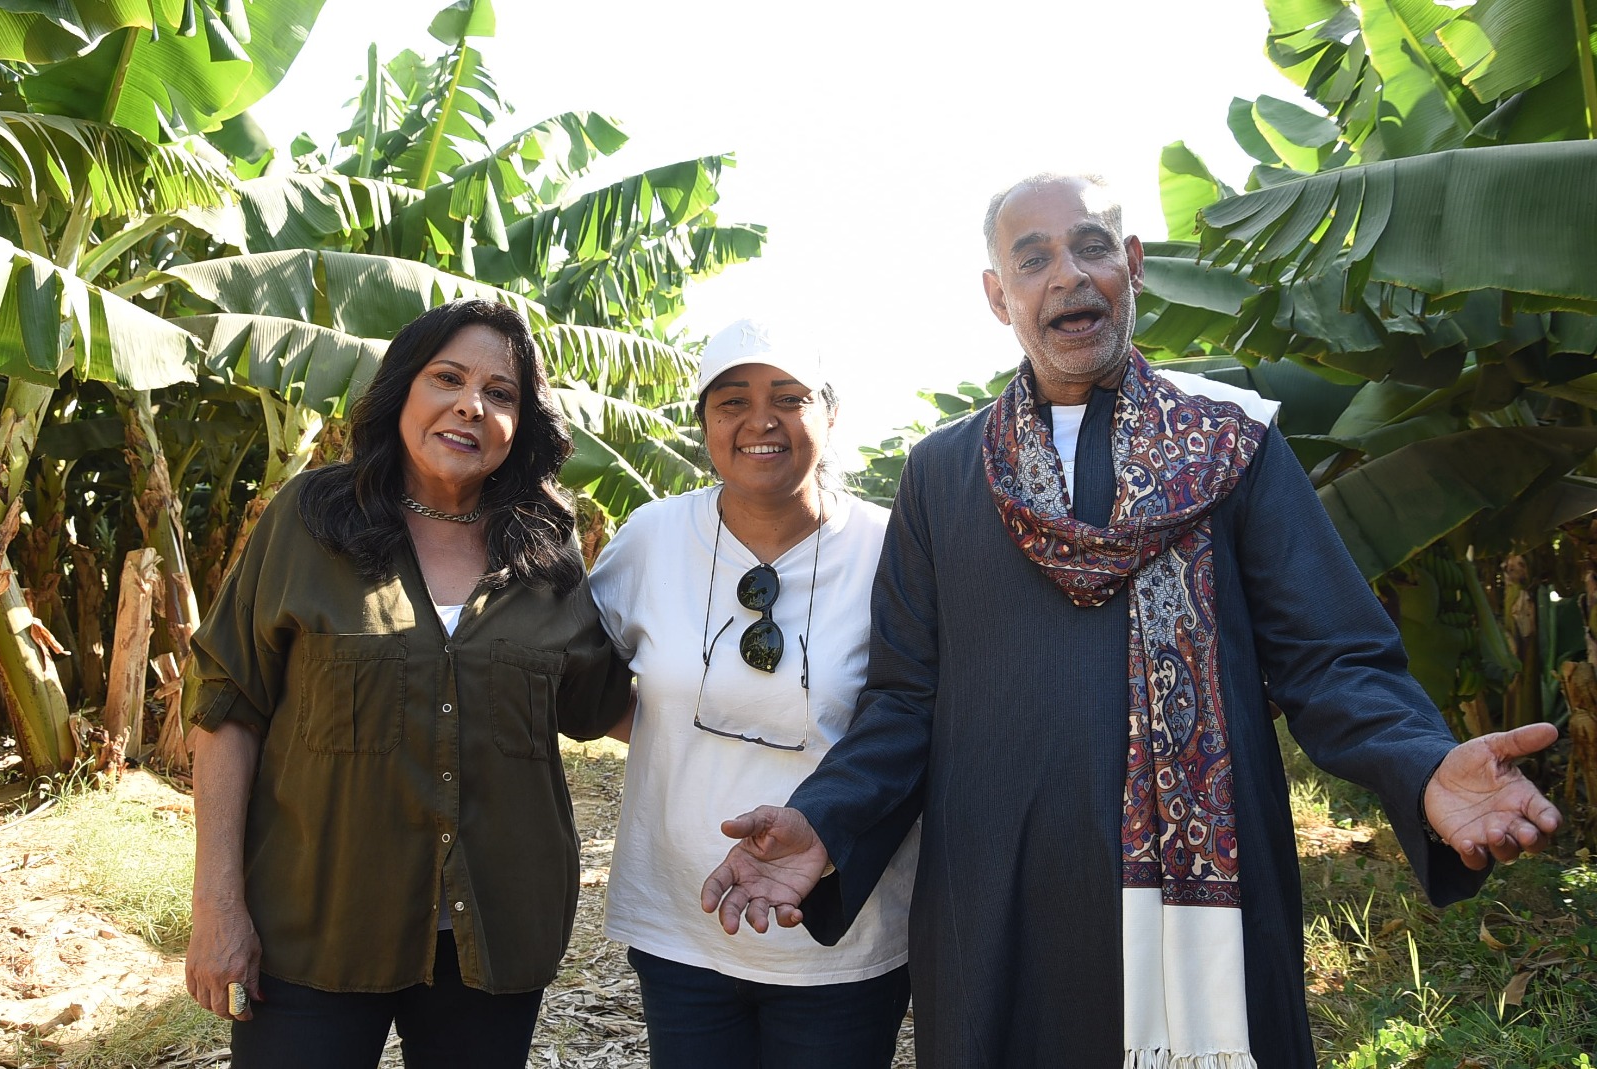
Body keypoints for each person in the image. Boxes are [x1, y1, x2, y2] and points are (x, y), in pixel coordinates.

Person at [700, 175, 1563, 1069]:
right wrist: (826, 820)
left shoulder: (1236, 446)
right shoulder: (944, 474)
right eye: (1032, 259)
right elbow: (904, 703)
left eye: (1091, 247)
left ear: (1134, 267)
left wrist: (1423, 766)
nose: (1067, 276)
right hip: (999, 906)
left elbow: (1334, 659)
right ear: (999, 296)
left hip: (1210, 911)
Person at [184, 299, 630, 1069]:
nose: (472, 405)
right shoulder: (308, 519)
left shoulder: (546, 547)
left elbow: (605, 705)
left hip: (495, 935)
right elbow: (228, 705)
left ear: (522, 422)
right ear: (403, 392)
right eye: (447, 378)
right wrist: (217, 905)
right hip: (314, 927)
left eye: (501, 393)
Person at [587, 320, 916, 1068]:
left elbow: (921, 716)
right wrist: (666, 730)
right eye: (731, 401)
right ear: (705, 422)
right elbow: (579, 673)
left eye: (789, 398)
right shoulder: (652, 537)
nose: (759, 421)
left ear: (830, 416)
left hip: (840, 932)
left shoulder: (893, 548)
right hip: (681, 920)